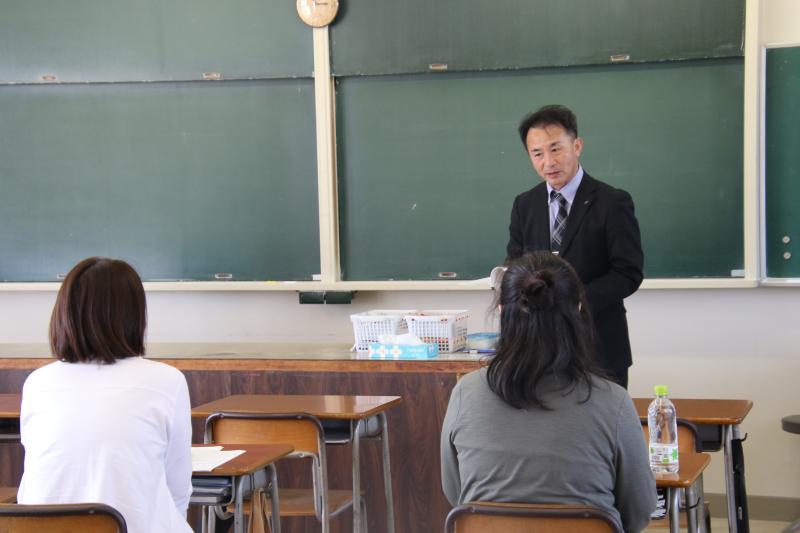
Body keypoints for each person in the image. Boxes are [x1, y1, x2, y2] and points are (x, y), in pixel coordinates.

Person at [440, 252, 655, 533]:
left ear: (502, 311)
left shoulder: (465, 393)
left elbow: (456, 492)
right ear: (578, 308)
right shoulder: (613, 401)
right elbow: (639, 512)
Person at [17, 257, 193, 533]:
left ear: (64, 313)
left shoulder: (37, 383)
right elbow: (178, 488)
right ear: (135, 316)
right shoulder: (166, 381)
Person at [507, 104, 643, 388]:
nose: (548, 162)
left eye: (556, 149)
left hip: (599, 345)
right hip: (539, 349)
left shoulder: (612, 202)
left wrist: (577, 299)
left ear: (577, 146)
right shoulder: (524, 204)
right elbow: (515, 264)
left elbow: (627, 272)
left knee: (603, 418)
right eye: (537, 153)